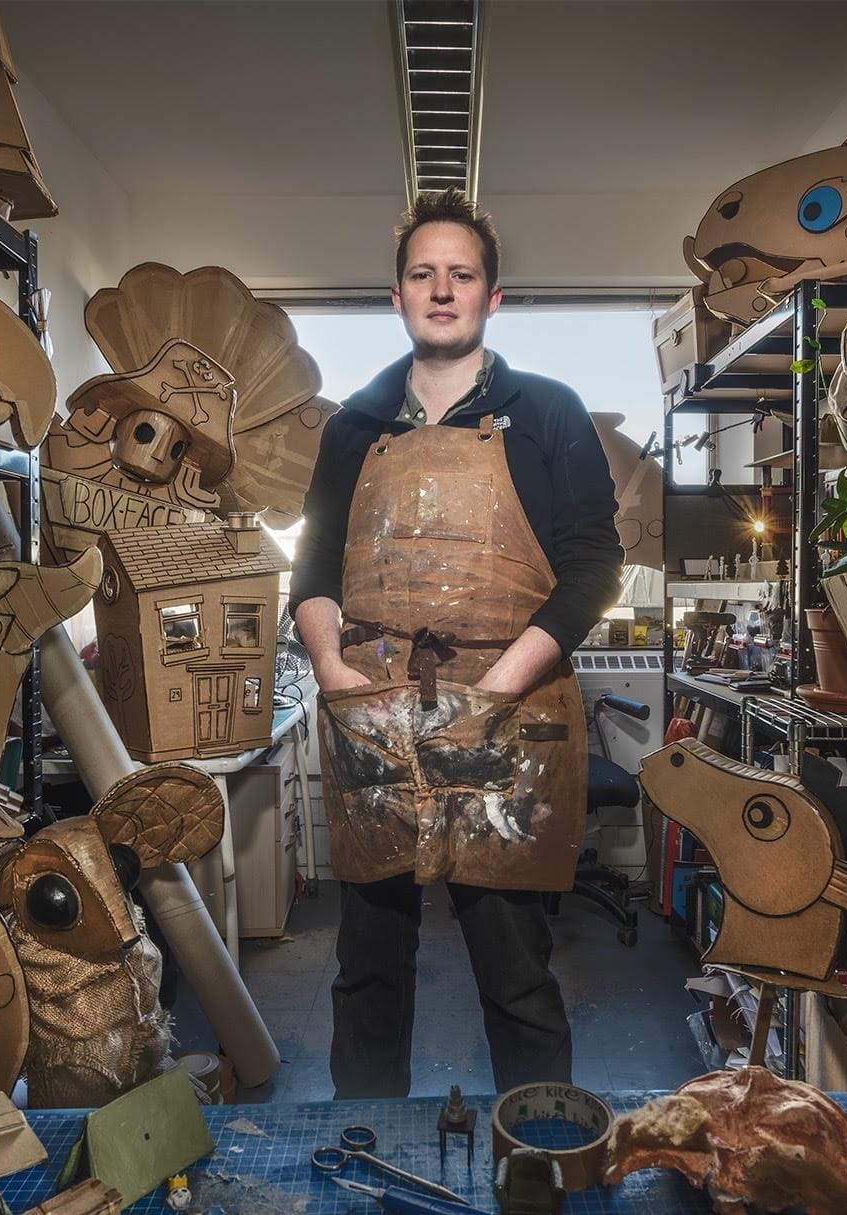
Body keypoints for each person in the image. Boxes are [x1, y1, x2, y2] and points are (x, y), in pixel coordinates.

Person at [289, 189, 623, 1098]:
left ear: (492, 296)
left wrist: (498, 690)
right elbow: (311, 570)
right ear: (396, 296)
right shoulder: (352, 428)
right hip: (374, 716)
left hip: (509, 726)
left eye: (461, 274)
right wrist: (336, 674)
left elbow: (595, 566)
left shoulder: (549, 412)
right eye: (423, 274)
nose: (442, 290)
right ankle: (364, 1161)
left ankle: (540, 1160)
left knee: (517, 980)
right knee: (367, 974)